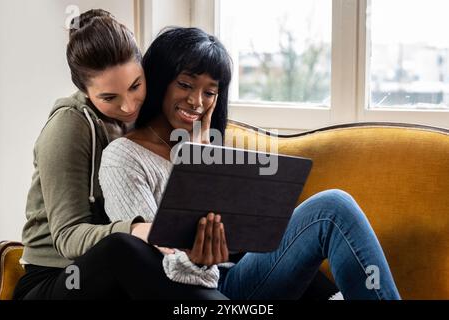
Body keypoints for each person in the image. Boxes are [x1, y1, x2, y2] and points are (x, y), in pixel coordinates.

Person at [99, 27, 402, 300]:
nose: (197, 102)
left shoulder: (210, 147)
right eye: (185, 85)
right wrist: (197, 257)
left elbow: (242, 239)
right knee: (333, 207)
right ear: (161, 79)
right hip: (199, 291)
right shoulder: (123, 157)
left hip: (240, 274)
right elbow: (146, 264)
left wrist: (201, 155)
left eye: (210, 92)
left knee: (334, 207)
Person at [13, 9, 228, 300]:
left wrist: (197, 153)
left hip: (126, 271)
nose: (128, 106)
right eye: (109, 97)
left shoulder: (150, 120)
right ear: (85, 91)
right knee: (122, 246)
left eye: (135, 86)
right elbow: (67, 237)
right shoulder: (69, 127)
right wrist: (137, 229)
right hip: (58, 279)